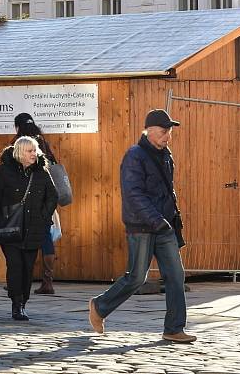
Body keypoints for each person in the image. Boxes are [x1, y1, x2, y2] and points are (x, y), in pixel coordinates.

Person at [87, 109, 196, 343]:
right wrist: (156, 220)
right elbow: (134, 195)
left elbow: (168, 192)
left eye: (170, 132)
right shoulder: (134, 156)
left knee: (176, 276)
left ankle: (174, 328)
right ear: (149, 131)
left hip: (164, 227)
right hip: (142, 226)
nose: (168, 136)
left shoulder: (166, 155)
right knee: (136, 278)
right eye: (164, 131)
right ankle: (100, 306)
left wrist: (170, 221)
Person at [0, 136, 58, 321]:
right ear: (20, 152)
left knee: (27, 267)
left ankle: (23, 302)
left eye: (35, 150)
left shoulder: (41, 172)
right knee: (15, 265)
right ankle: (16, 303)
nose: (34, 154)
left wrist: (43, 217)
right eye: (30, 150)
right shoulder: (4, 171)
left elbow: (53, 196)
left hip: (34, 228)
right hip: (10, 227)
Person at [12, 112, 58, 295]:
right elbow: (54, 164)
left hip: (23, 199)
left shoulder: (19, 143)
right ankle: (48, 281)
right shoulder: (42, 142)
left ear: (17, 127)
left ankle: (19, 279)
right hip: (44, 198)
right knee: (46, 238)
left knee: (19, 238)